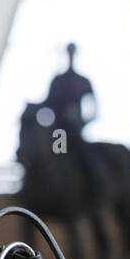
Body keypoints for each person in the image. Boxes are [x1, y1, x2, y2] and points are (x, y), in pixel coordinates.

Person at [43, 42, 106, 190]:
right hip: (59, 132)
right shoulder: (58, 80)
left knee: (85, 156)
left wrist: (83, 122)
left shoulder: (82, 81)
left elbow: (94, 109)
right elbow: (47, 104)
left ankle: (96, 186)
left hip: (75, 131)